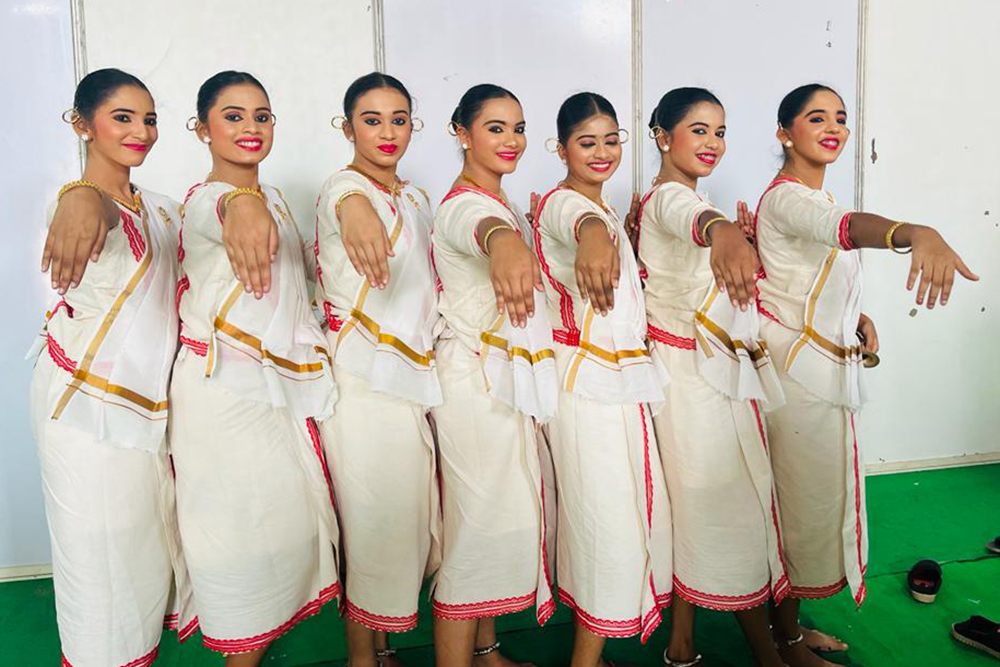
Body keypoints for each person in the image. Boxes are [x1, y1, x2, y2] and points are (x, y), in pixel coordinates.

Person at [756, 83, 977, 667]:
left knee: (808, 509)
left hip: (819, 372)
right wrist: (913, 233)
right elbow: (848, 230)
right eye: (815, 118)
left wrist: (854, 316)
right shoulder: (787, 198)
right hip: (796, 381)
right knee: (794, 514)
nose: (833, 127)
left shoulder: (816, 199)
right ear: (784, 132)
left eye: (841, 118)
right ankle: (782, 641)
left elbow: (806, 274)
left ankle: (791, 630)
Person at [170, 71, 340, 666]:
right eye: (234, 116)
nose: (250, 128)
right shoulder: (204, 201)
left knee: (278, 542)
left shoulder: (276, 201)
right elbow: (228, 208)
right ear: (202, 129)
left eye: (262, 116)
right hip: (223, 396)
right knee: (238, 546)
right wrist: (240, 202)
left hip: (275, 396)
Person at [31, 67, 195, 667]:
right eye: (122, 117)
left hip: (149, 410)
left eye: (148, 118)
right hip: (83, 409)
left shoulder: (165, 209)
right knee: (96, 561)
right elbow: (84, 203)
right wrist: (82, 196)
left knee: (142, 553)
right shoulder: (75, 200)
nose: (141, 131)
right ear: (82, 124)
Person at [637, 87, 789, 667]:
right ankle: (767, 651)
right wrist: (723, 228)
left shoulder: (690, 200)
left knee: (701, 507)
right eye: (698, 130)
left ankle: (682, 644)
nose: (713, 143)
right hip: (686, 380)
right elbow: (693, 219)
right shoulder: (667, 203)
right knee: (719, 506)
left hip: (712, 372)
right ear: (662, 137)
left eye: (720, 132)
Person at [533, 92, 670, 667]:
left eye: (611, 140)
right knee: (604, 521)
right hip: (585, 389)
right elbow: (575, 221)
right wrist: (592, 230)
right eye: (586, 142)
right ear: (560, 148)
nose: (601, 152)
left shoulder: (607, 205)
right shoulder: (564, 206)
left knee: (624, 514)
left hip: (617, 382)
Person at [430, 83, 558, 667]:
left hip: (501, 381)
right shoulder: (468, 206)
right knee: (477, 531)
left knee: (498, 519)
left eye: (519, 127)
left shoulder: (498, 201)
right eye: (495, 128)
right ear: (462, 133)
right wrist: (505, 241)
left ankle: (486, 651)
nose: (512, 140)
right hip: (472, 388)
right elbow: (480, 231)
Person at [315, 72, 440, 667]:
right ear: (347, 128)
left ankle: (384, 647)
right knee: (368, 517)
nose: (388, 132)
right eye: (372, 120)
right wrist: (357, 208)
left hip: (411, 378)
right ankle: (363, 658)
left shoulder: (415, 197)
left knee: (400, 517)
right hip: (363, 381)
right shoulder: (344, 187)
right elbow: (350, 204)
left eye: (399, 119)